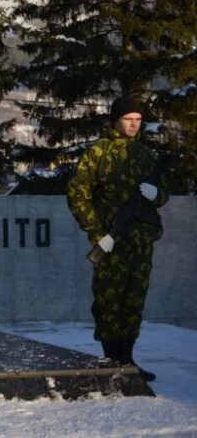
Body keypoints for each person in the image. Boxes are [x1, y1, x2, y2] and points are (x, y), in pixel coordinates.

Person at [67, 95, 168, 381]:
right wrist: (99, 235)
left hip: (141, 241)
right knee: (109, 300)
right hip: (111, 243)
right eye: (128, 119)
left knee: (134, 300)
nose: (134, 125)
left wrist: (156, 195)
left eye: (138, 120)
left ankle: (127, 358)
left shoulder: (147, 156)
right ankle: (112, 359)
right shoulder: (98, 152)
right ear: (115, 120)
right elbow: (78, 192)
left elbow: (164, 193)